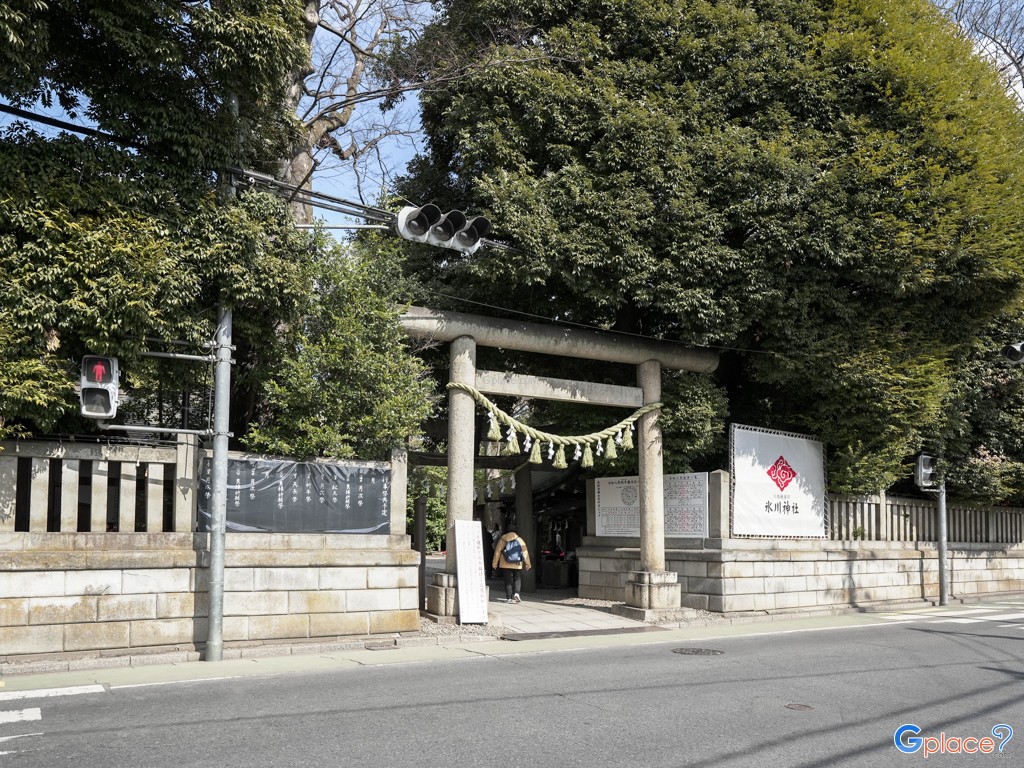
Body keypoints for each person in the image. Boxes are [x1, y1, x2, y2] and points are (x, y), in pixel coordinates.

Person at [492, 527, 531, 603]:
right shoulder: (519, 540)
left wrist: (494, 563)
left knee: (508, 580)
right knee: (517, 578)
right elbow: (525, 552)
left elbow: (497, 552)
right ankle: (516, 593)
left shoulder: (502, 539)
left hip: (505, 563)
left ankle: (508, 598)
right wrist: (528, 563)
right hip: (517, 563)